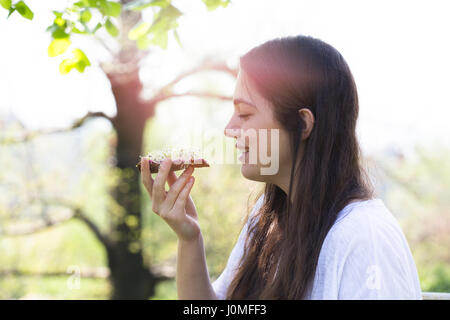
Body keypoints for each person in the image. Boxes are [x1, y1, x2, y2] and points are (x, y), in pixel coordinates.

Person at [140, 35, 422, 300]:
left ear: (302, 124)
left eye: (245, 114)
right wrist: (189, 238)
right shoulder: (267, 222)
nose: (229, 129)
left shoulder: (363, 237)